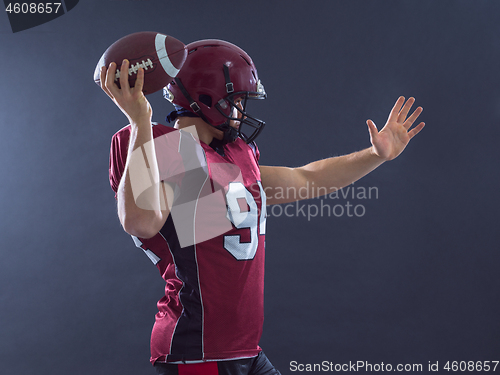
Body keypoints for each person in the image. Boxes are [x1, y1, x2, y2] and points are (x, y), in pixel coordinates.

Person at [100, 39, 424, 375]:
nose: (241, 111)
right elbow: (140, 222)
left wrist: (375, 155)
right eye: (235, 100)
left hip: (245, 348)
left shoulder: (234, 155)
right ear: (205, 98)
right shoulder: (163, 148)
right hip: (196, 350)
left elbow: (308, 178)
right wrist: (139, 121)